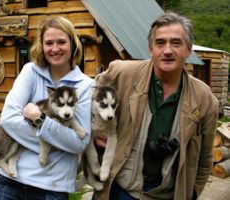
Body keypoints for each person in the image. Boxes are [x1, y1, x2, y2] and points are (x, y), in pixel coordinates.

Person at [93, 12, 219, 200]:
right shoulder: (123, 73)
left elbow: (205, 159)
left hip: (165, 194)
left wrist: (191, 193)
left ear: (188, 49)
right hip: (118, 188)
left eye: (176, 43)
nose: (167, 50)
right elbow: (94, 93)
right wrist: (98, 128)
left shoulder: (205, 98)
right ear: (151, 48)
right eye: (160, 43)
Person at [0, 16, 95, 200]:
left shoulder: (85, 86)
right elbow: (8, 119)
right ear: (41, 45)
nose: (55, 49)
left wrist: (40, 120)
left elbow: (78, 143)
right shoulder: (30, 71)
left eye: (61, 42)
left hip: (52, 188)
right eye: (49, 43)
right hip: (9, 182)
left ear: (72, 43)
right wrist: (59, 143)